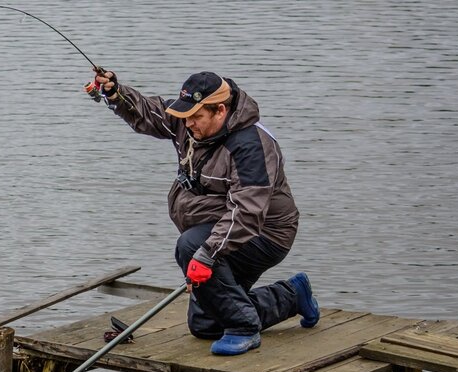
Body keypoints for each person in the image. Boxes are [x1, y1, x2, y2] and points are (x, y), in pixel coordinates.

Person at [92, 69, 319, 356]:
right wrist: (115, 93)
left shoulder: (252, 147)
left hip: (264, 234)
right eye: (185, 116)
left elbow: (247, 212)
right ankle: (292, 295)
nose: (187, 124)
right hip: (219, 232)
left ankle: (244, 329)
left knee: (190, 246)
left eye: (195, 117)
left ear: (220, 110)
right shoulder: (192, 122)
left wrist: (206, 254)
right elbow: (151, 113)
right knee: (204, 324)